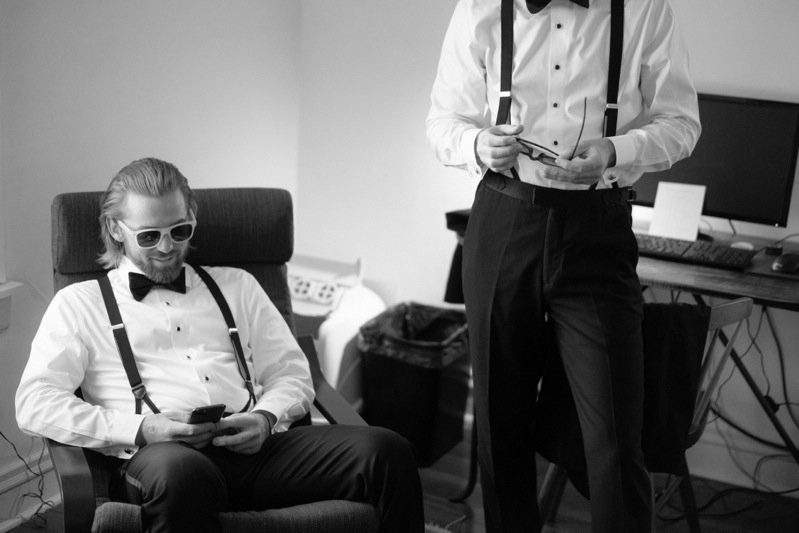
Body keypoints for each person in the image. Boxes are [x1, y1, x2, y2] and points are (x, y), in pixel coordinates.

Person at [16, 157, 424, 533]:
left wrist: (265, 417)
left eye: (179, 231)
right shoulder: (79, 304)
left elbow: (292, 373)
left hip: (260, 451)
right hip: (164, 461)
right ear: (116, 230)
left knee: (387, 450)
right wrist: (142, 429)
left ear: (192, 218)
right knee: (181, 473)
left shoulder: (238, 285)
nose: (165, 247)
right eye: (148, 235)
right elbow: (35, 402)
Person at [426, 1, 700, 532]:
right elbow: (443, 121)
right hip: (504, 220)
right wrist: (477, 143)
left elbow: (682, 123)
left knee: (616, 436)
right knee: (499, 422)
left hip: (598, 229)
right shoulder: (481, 7)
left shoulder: (645, 8)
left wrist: (616, 150)